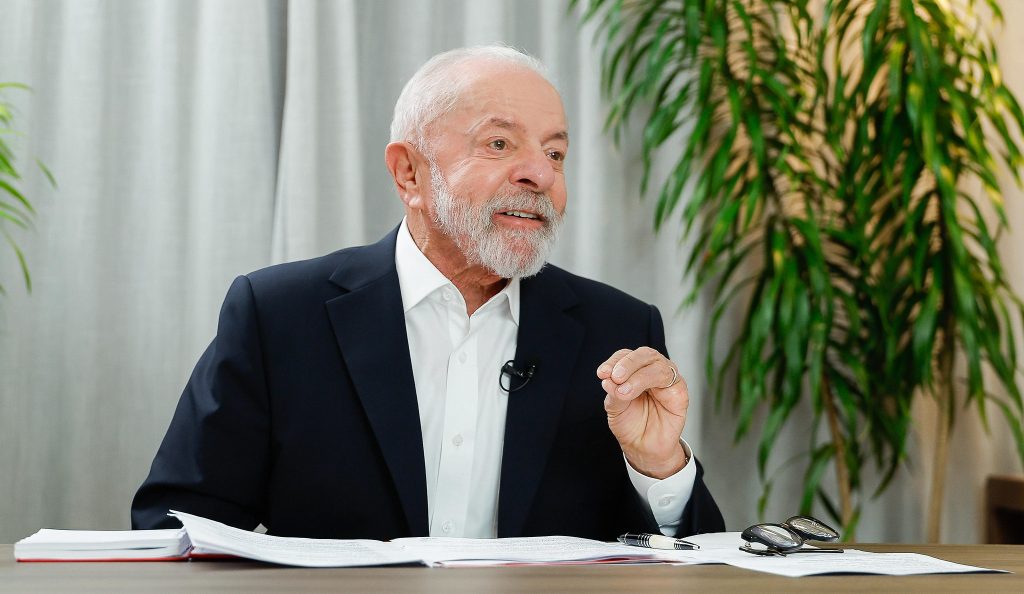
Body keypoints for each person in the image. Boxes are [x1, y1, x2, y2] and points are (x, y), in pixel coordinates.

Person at [131, 45, 725, 540]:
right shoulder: (279, 317)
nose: (541, 174)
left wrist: (659, 467)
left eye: (554, 153)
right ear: (409, 173)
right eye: (499, 144)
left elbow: (696, 557)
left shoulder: (618, 330)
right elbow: (177, 526)